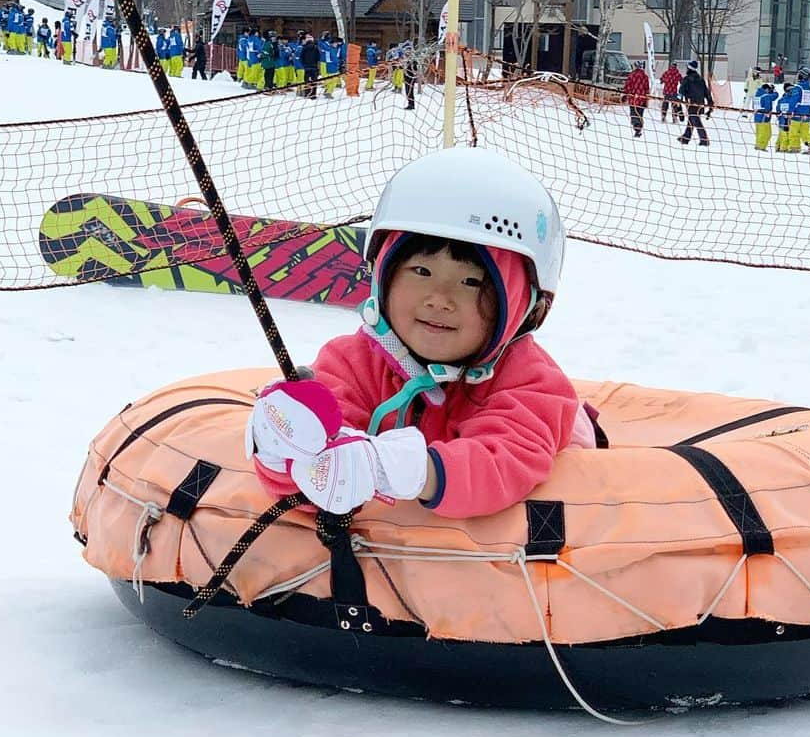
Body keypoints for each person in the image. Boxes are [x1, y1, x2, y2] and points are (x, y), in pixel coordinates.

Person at [244, 148, 595, 520]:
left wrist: (407, 470)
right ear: (383, 275)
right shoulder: (352, 362)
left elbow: (506, 458)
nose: (440, 299)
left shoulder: (533, 384)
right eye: (421, 272)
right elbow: (323, 463)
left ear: (523, 304)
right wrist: (285, 450)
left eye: (472, 282)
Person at [677, 59, 713, 146]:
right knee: (692, 120)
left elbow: (681, 92)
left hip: (691, 103)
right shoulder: (701, 79)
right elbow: (707, 92)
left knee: (696, 121)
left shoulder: (686, 79)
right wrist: (710, 104)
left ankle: (704, 140)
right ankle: (685, 138)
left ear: (689, 69)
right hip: (700, 104)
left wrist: (678, 104)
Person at [623, 61, 651, 137]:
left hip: (633, 99)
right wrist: (646, 99)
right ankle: (639, 128)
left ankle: (636, 128)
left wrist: (625, 94)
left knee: (633, 114)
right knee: (640, 115)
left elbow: (627, 87)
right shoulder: (645, 76)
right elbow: (647, 89)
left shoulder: (631, 76)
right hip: (642, 100)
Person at [752, 78, 778, 151]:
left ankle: (758, 145)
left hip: (757, 117)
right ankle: (761, 147)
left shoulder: (756, 95)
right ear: (766, 89)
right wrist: (774, 90)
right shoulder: (766, 96)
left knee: (759, 133)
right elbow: (774, 97)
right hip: (764, 118)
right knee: (767, 133)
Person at [299, 31, 320, 99]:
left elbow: (301, 57)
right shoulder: (316, 48)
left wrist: (304, 64)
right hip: (314, 67)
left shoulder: (304, 48)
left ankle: (307, 93)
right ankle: (313, 94)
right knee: (314, 81)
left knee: (307, 81)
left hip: (306, 67)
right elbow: (318, 57)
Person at [402, 43, 417, 110]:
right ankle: (409, 103)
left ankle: (411, 104)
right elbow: (402, 67)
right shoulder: (405, 60)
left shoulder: (413, 60)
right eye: (406, 52)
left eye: (409, 52)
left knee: (410, 91)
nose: (407, 53)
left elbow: (415, 68)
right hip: (406, 77)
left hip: (411, 77)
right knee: (407, 91)